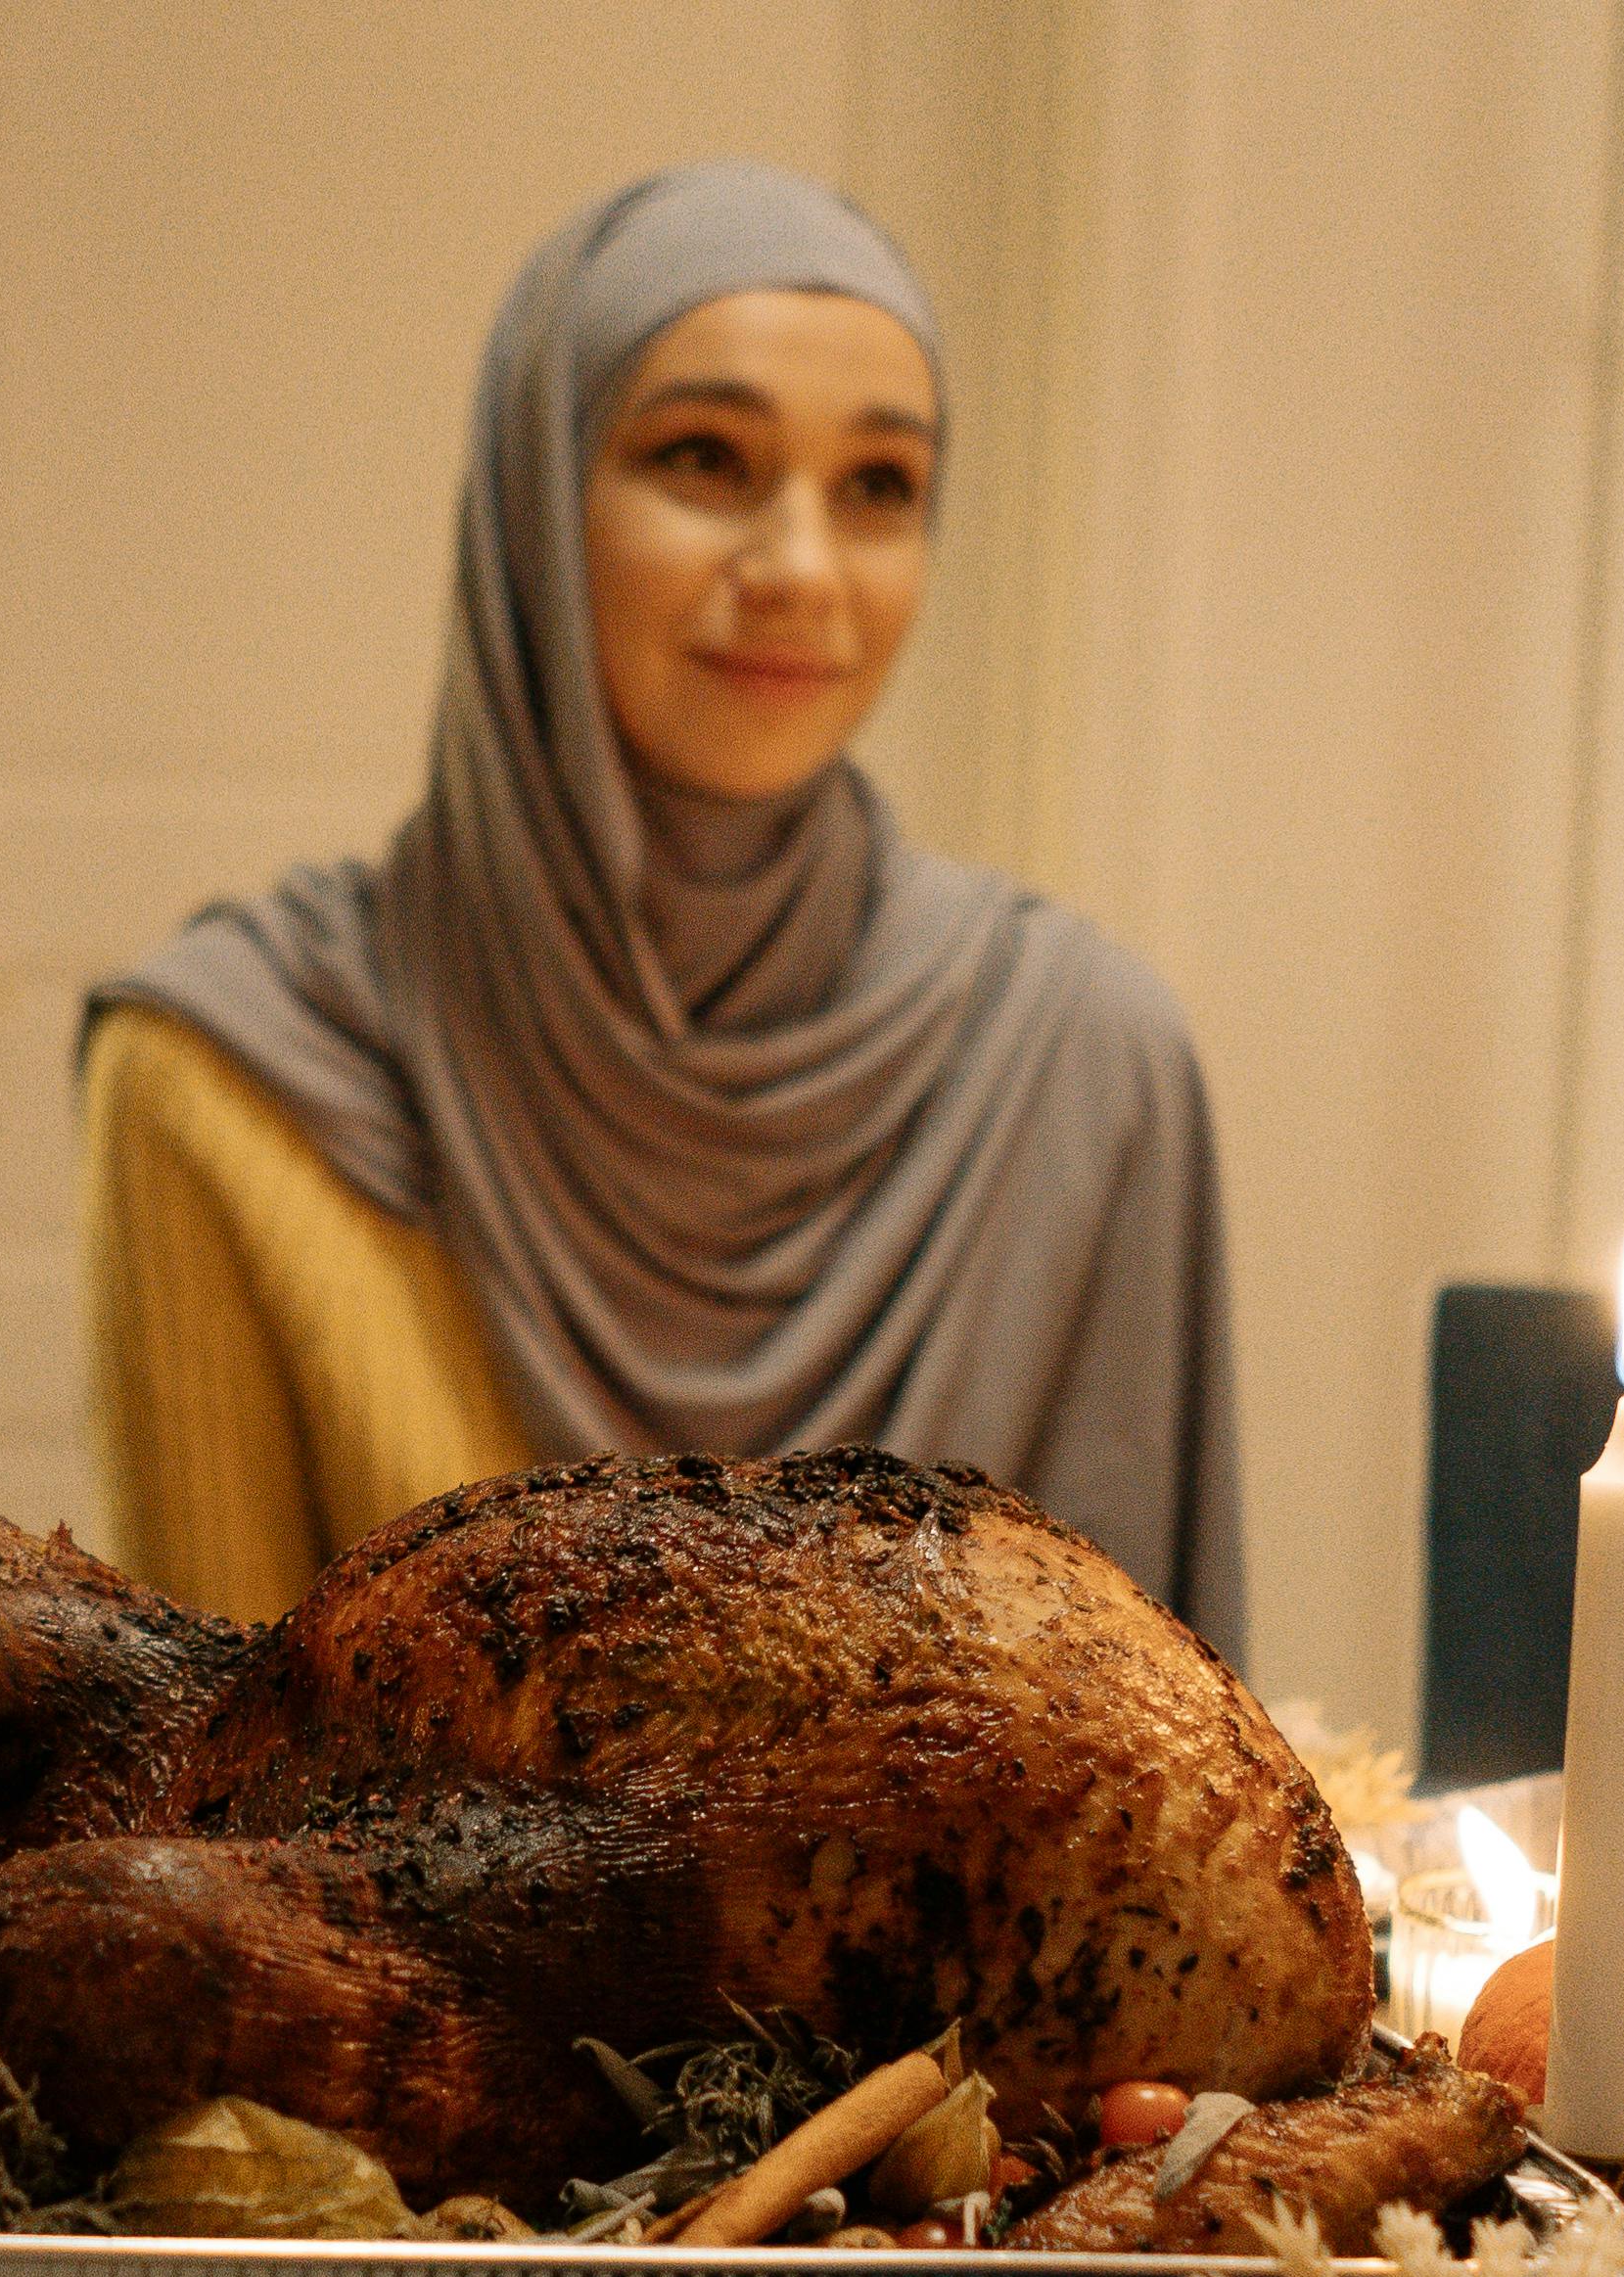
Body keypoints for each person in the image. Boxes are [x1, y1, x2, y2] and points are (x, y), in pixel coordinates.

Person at [76, 163, 1243, 1650]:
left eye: (879, 486)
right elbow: (220, 1808)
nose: (802, 569)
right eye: (702, 457)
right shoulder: (222, 1080)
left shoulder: (1084, 1062)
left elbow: (1162, 1796)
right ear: (532, 504)